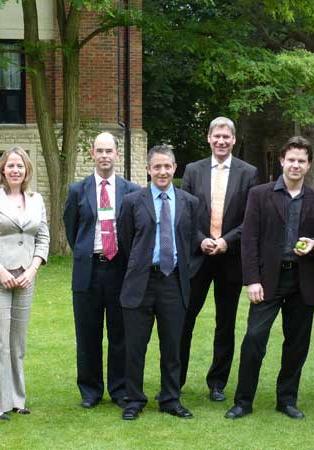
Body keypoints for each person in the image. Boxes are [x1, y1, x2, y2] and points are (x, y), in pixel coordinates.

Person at [225, 136, 314, 420]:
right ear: (282, 161)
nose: (296, 165)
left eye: (301, 161)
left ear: (309, 165)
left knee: (297, 343)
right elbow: (249, 240)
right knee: (254, 338)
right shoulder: (260, 195)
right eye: (291, 160)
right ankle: (243, 400)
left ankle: (286, 399)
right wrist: (252, 280)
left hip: (303, 280)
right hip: (267, 280)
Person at [118, 145, 199, 420]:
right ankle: (134, 399)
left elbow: (191, 242)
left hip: (173, 282)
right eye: (157, 167)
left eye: (167, 166)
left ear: (175, 168)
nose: (162, 171)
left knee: (172, 346)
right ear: (148, 170)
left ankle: (170, 398)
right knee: (135, 346)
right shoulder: (132, 201)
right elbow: (126, 240)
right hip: (141, 281)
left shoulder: (189, 202)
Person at [180, 117, 258, 402]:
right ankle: (176, 379)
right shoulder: (192, 170)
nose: (222, 141)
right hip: (197, 257)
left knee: (225, 323)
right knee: (185, 318)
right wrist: (201, 239)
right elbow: (184, 213)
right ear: (209, 138)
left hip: (230, 258)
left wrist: (226, 241)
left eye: (227, 136)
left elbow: (250, 218)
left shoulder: (248, 172)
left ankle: (217, 382)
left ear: (234, 140)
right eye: (217, 136)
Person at [0, 146, 49, 420]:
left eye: (20, 166)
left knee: (17, 342)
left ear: (27, 170)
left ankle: (17, 398)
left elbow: (43, 238)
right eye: (11, 165)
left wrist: (33, 269)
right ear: (2, 169)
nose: (15, 170)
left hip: (26, 276)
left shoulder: (36, 199)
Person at [63, 132, 140, 409]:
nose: (105, 156)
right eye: (100, 151)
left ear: (117, 154)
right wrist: (87, 252)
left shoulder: (131, 191)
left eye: (110, 151)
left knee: (120, 333)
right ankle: (90, 391)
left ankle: (119, 389)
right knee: (88, 334)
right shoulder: (77, 190)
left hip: (120, 270)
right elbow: (72, 230)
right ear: (92, 154)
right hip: (89, 270)